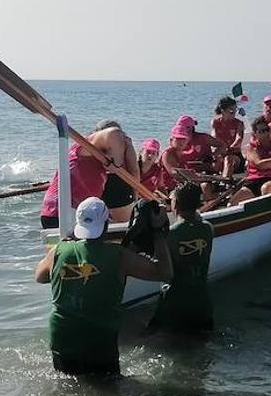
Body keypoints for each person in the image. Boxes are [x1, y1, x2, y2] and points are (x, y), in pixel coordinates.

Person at [34, 196, 172, 376]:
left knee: (67, 386)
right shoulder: (120, 257)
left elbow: (39, 277)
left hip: (62, 337)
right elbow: (165, 274)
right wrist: (158, 234)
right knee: (108, 392)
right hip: (99, 341)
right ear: (106, 224)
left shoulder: (59, 250)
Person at [39, 121, 136, 229]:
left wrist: (129, 150)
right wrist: (117, 163)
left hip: (74, 212)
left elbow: (134, 176)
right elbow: (115, 133)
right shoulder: (85, 147)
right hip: (60, 213)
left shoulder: (99, 159)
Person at [149, 182, 214, 332]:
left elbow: (158, 265)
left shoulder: (169, 234)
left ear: (175, 204)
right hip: (202, 303)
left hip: (174, 302)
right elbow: (196, 220)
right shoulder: (208, 229)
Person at [231, 118, 271, 204]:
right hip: (254, 181)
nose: (265, 133)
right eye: (261, 131)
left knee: (265, 188)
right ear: (255, 134)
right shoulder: (251, 149)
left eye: (266, 130)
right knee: (231, 203)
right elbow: (259, 164)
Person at [210, 97, 246, 179]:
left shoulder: (239, 123)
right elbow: (215, 137)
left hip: (234, 154)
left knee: (228, 159)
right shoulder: (215, 122)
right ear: (223, 110)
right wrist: (222, 148)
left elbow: (239, 139)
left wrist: (229, 148)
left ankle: (224, 182)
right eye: (231, 110)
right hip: (221, 152)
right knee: (214, 158)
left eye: (235, 109)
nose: (234, 112)